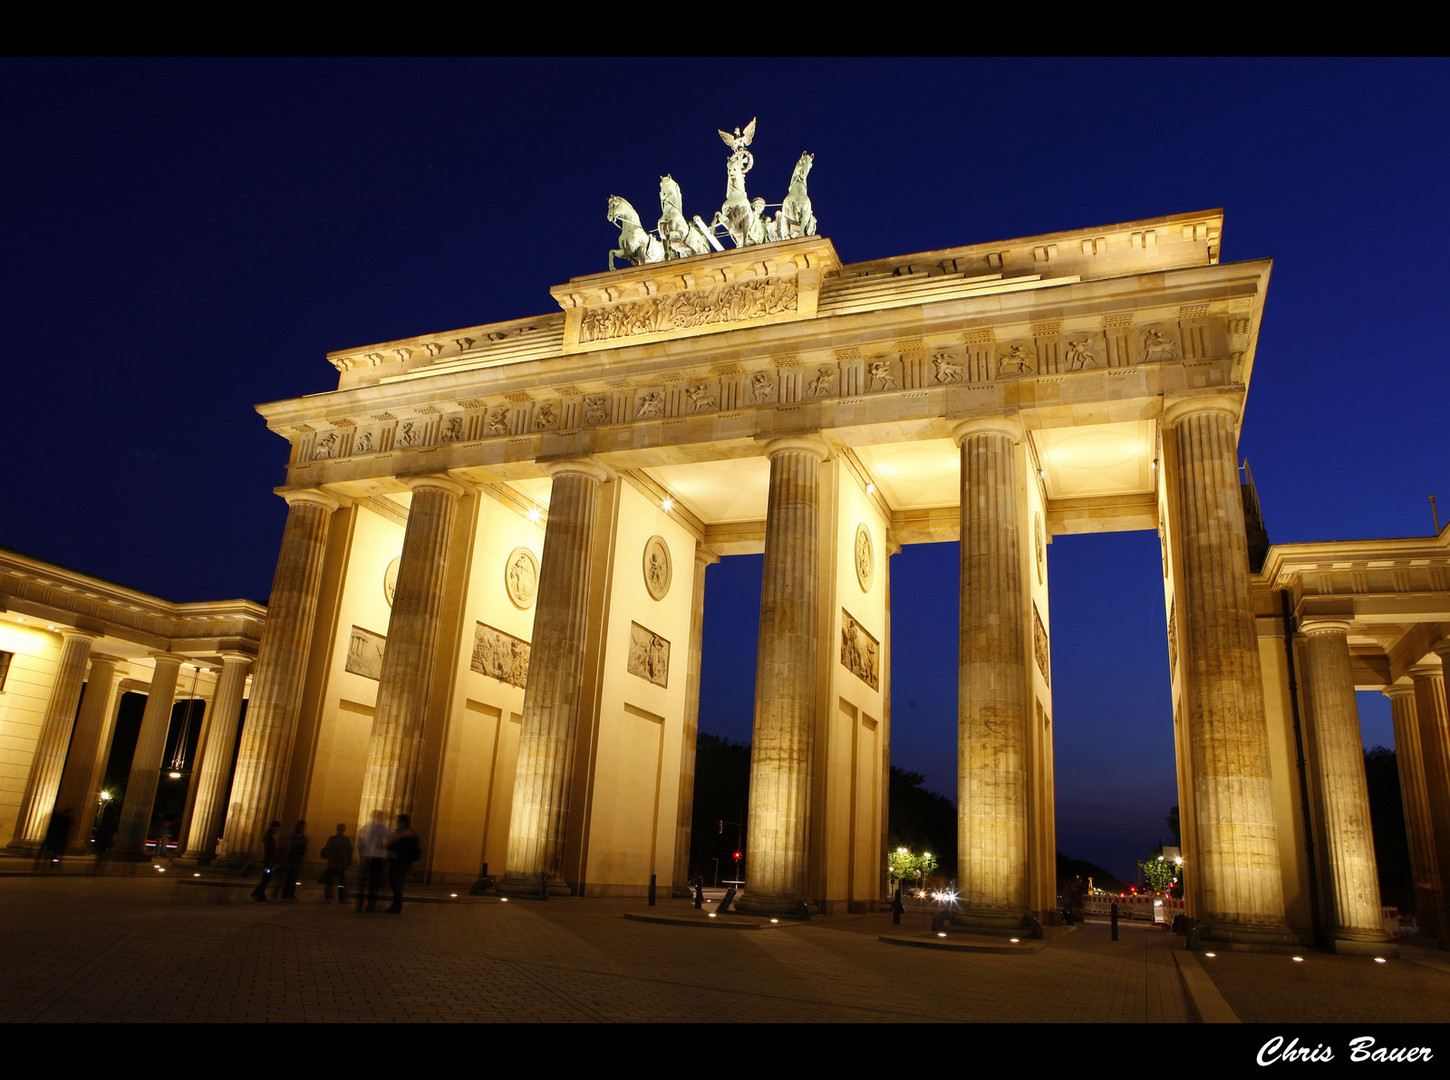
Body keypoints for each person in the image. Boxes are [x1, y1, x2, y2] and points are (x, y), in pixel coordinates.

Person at [385, 814, 421, 914]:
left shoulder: (407, 834)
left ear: (403, 822)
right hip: (400, 861)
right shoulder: (406, 833)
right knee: (396, 883)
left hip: (400, 861)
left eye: (399, 821)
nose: (397, 822)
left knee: (397, 883)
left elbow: (402, 847)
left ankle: (397, 906)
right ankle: (396, 905)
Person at [356, 811, 390, 913]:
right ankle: (371, 906)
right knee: (374, 884)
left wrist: (362, 857)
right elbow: (389, 837)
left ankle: (359, 905)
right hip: (375, 859)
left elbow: (360, 845)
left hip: (366, 858)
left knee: (362, 883)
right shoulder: (380, 827)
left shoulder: (363, 829)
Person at [320, 823, 352, 904]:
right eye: (340, 829)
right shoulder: (332, 839)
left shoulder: (345, 839)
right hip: (333, 863)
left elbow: (349, 850)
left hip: (341, 864)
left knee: (341, 882)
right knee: (330, 881)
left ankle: (342, 897)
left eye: (342, 829)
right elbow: (328, 849)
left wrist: (348, 860)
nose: (341, 830)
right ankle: (328, 896)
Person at [251, 820, 282, 901]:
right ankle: (257, 892)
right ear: (274, 827)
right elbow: (269, 850)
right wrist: (271, 861)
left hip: (268, 861)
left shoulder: (269, 836)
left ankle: (260, 893)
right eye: (277, 828)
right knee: (266, 877)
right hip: (269, 862)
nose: (278, 829)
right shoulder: (269, 837)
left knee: (266, 877)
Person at [279, 820, 307, 899]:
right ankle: (287, 894)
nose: (303, 828)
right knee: (290, 878)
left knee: (292, 878)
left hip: (296, 859)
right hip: (293, 860)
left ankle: (289, 894)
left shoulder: (299, 835)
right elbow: (294, 847)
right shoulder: (297, 836)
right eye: (302, 826)